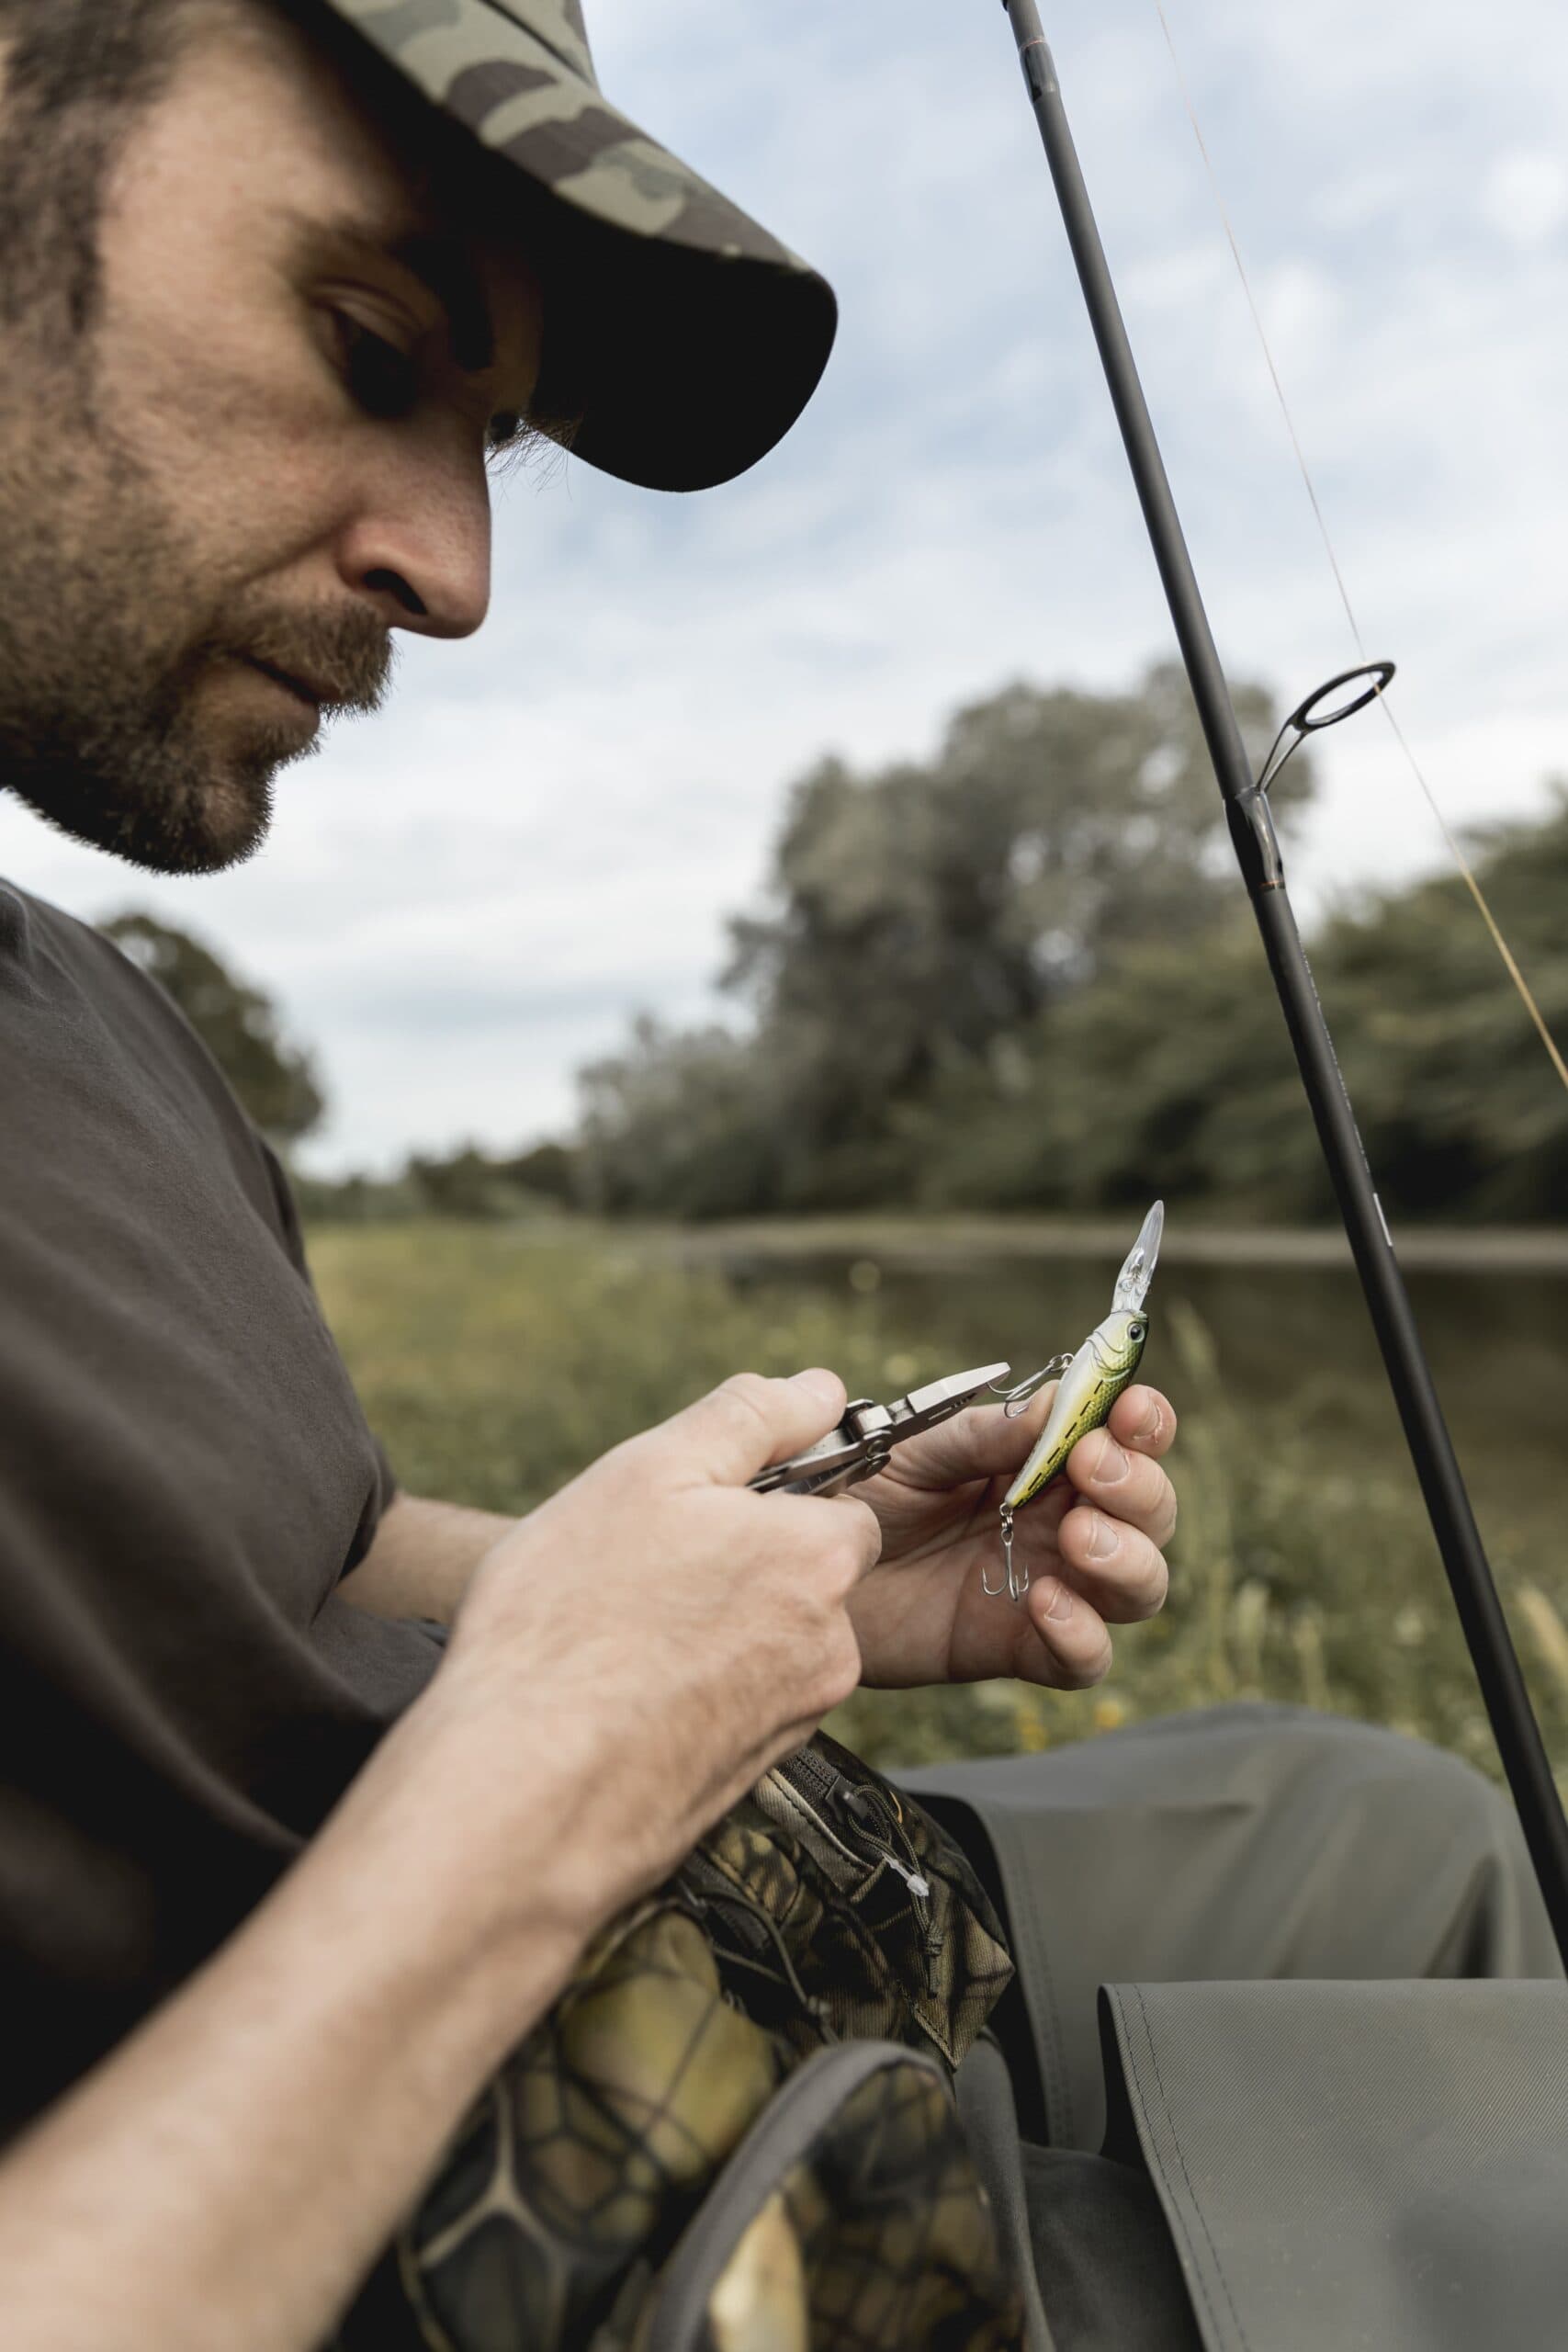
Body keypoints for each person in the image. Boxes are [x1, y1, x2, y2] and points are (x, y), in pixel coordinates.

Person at [0, 6, 1556, 2349]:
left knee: (1408, 1835)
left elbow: (281, 1554)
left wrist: (768, 1565)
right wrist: (546, 1769)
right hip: (476, 2226)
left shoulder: (94, 1015)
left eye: (491, 432)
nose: (458, 567)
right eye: (368, 338)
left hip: (667, 1938)